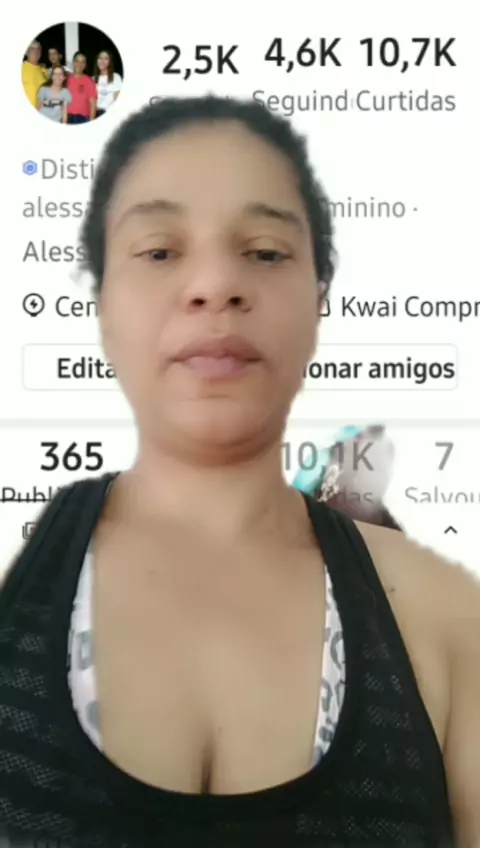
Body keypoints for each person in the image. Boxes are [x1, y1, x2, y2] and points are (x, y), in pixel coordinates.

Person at [0, 95, 478, 848]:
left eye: (264, 251)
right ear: (102, 305)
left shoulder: (447, 624)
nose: (215, 284)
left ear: (319, 302)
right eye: (160, 250)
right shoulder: (11, 583)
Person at [66, 51, 97, 123]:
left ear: (85, 65)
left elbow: (93, 105)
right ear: (73, 62)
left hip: (82, 119)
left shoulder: (89, 81)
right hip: (66, 118)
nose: (79, 64)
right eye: (77, 61)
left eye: (82, 62)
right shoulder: (66, 79)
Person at [93, 50, 122, 118]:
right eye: (100, 58)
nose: (102, 61)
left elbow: (118, 95)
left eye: (106, 58)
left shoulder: (116, 77)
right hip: (95, 113)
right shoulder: (92, 79)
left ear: (109, 62)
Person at [21, 40, 48, 107]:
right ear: (26, 52)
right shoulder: (21, 68)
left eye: (38, 49)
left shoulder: (44, 70)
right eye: (32, 49)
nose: (36, 51)